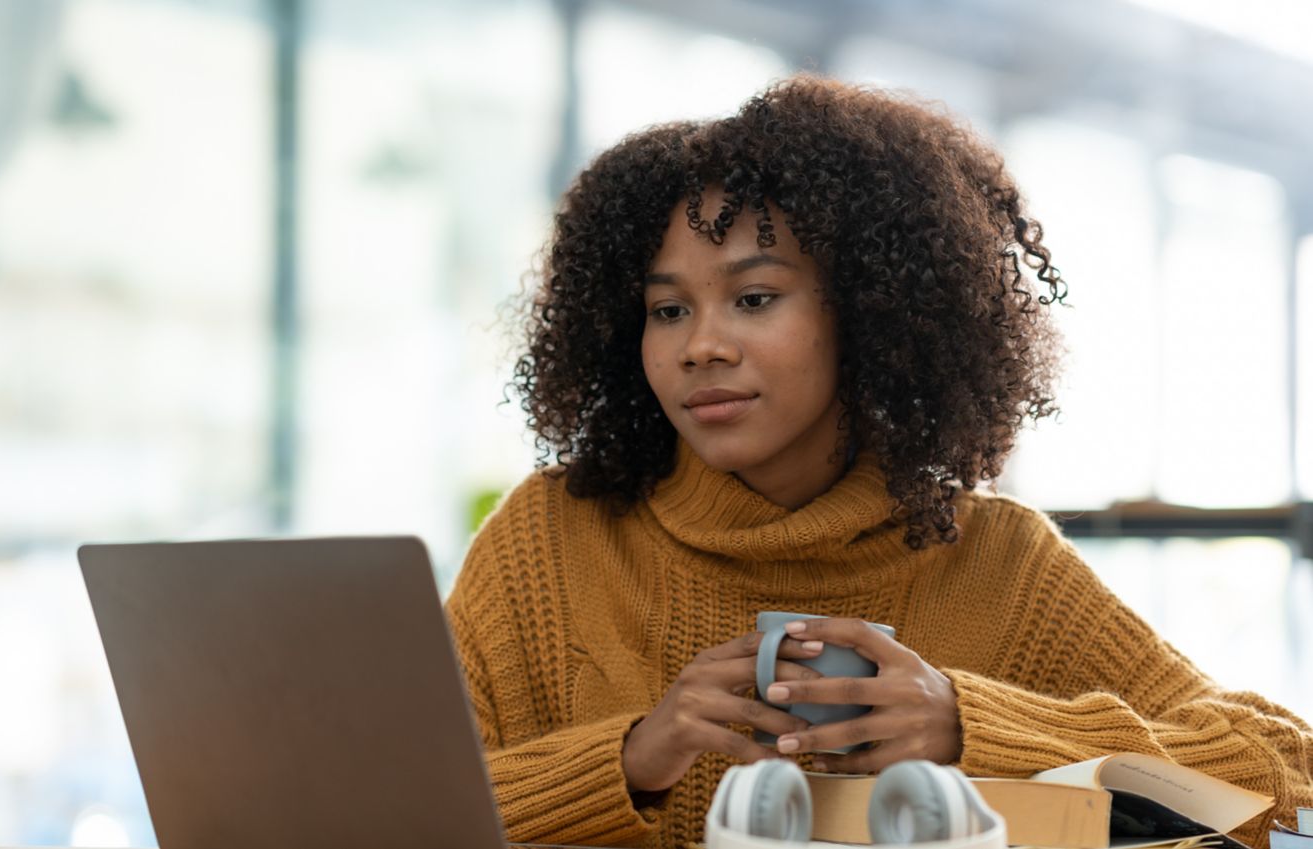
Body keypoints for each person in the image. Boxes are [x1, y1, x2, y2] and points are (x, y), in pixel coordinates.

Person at [442, 74, 1313, 849]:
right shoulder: (548, 541)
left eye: (753, 297)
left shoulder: (997, 564)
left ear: (867, 313)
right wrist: (633, 757)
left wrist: (970, 723)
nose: (700, 345)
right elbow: (372, 814)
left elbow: (1285, 773)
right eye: (666, 311)